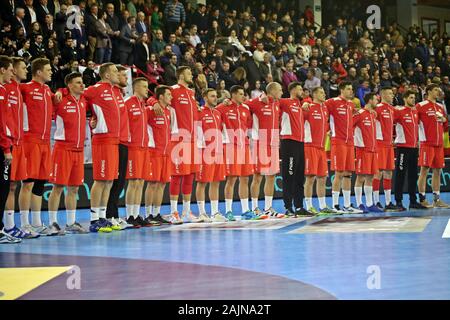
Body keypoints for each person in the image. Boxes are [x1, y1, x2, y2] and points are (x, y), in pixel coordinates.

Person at [148, 66, 201, 224]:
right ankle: (173, 212)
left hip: (192, 140)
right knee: (177, 176)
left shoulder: (191, 93)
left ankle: (186, 211)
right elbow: (157, 96)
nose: (192, 74)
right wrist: (153, 102)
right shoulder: (174, 89)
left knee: (190, 175)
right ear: (181, 74)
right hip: (178, 138)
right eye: (189, 72)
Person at [19, 58, 59, 236]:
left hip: (45, 142)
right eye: (48, 69)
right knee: (27, 183)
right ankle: (24, 224)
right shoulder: (25, 88)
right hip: (30, 141)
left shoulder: (47, 90)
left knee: (40, 183)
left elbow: (63, 94)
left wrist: (61, 92)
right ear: (38, 72)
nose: (51, 72)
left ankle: (36, 223)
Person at [47, 72, 89, 234]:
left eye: (82, 82)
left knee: (74, 189)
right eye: (78, 83)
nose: (82, 85)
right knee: (57, 187)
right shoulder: (60, 99)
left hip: (78, 150)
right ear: (69, 85)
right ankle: (52, 223)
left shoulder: (84, 101)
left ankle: (71, 223)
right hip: (63, 149)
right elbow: (50, 96)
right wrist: (61, 91)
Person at [3, 57, 40, 239]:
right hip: (9, 143)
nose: (26, 70)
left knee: (14, 185)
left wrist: (63, 92)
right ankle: (8, 226)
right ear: (13, 70)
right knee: (9, 186)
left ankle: (14, 226)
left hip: (19, 143)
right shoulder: (6, 89)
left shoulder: (20, 88)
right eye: (23, 68)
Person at [84, 63, 123, 233]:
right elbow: (77, 97)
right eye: (115, 71)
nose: (118, 74)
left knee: (109, 180)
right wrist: (90, 118)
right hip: (102, 139)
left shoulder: (116, 91)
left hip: (114, 140)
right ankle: (93, 220)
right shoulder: (95, 89)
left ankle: (103, 217)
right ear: (106, 75)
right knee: (100, 180)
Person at [216, 85, 254, 221]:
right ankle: (228, 211)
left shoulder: (246, 109)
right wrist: (222, 102)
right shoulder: (223, 108)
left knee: (245, 179)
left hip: (244, 146)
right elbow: (213, 113)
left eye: (244, 94)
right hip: (231, 146)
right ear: (233, 95)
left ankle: (245, 210)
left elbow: (248, 126)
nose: (243, 96)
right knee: (231, 179)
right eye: (240, 94)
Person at [248, 82, 285, 219]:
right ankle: (254, 208)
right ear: (273, 91)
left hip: (273, 144)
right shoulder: (257, 102)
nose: (282, 93)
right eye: (280, 90)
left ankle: (268, 208)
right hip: (259, 143)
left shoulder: (277, 104)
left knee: (271, 176)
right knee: (257, 177)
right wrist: (260, 97)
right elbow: (240, 104)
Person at [325, 81, 362, 213]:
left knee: (348, 174)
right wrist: (328, 130)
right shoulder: (332, 102)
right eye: (348, 89)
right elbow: (321, 112)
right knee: (339, 173)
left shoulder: (351, 104)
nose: (350, 91)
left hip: (349, 142)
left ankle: (347, 205)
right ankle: (335, 205)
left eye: (351, 89)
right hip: (338, 141)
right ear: (341, 90)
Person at [124, 77, 156, 227]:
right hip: (133, 147)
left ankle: (136, 214)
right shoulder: (128, 103)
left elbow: (155, 101)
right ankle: (129, 215)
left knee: (140, 182)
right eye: (144, 86)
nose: (146, 89)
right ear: (136, 88)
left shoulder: (144, 104)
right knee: (133, 182)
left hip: (144, 147)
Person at [302, 87, 337, 215]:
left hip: (321, 148)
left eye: (324, 92)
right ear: (315, 94)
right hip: (310, 146)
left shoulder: (324, 108)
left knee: (322, 178)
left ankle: (322, 206)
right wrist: (304, 104)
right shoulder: (308, 107)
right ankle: (309, 206)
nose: (324, 94)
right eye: (321, 92)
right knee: (310, 178)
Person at [195, 88, 227, 222]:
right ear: (205, 97)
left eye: (216, 96)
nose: (215, 98)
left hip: (218, 152)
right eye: (212, 96)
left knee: (216, 182)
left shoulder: (218, 113)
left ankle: (214, 212)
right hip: (204, 152)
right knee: (202, 183)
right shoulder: (199, 112)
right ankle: (202, 213)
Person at [279, 82, 310, 216]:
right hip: (289, 142)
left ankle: (299, 206)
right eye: (299, 89)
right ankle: (288, 206)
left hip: (300, 142)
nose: (302, 91)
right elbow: (270, 100)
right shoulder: (285, 102)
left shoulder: (301, 105)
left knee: (299, 177)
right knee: (289, 175)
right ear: (292, 90)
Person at [105, 65, 130, 230]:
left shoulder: (120, 95)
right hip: (115, 141)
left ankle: (114, 214)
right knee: (112, 181)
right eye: (123, 76)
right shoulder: (111, 93)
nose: (125, 79)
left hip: (123, 141)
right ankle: (109, 215)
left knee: (120, 182)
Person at [393, 89, 428, 210]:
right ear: (405, 99)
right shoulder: (399, 111)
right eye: (411, 97)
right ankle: (398, 201)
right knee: (400, 175)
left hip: (414, 148)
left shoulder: (415, 112)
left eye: (414, 98)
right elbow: (387, 122)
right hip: (403, 148)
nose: (413, 100)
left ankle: (413, 201)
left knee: (413, 175)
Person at [144, 85, 174, 225]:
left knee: (162, 184)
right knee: (152, 183)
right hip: (154, 153)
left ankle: (156, 213)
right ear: (161, 96)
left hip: (165, 153)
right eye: (168, 94)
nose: (171, 97)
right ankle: (147, 214)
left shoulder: (168, 111)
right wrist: (152, 101)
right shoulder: (150, 110)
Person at [417, 83, 450, 208]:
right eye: (435, 90)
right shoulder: (420, 106)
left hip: (439, 144)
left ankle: (437, 200)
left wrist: (444, 120)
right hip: (427, 143)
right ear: (429, 92)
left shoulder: (440, 107)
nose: (438, 92)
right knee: (424, 171)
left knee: (438, 170)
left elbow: (445, 126)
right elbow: (414, 123)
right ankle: (422, 199)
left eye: (438, 90)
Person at [0, 56, 20, 244]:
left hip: (6, 142)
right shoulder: (2, 91)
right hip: (2, 146)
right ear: (2, 70)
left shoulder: (5, 90)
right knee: (3, 187)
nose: (12, 73)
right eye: (9, 70)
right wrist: (7, 148)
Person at [353, 93, 383, 213]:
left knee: (370, 177)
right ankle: (359, 203)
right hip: (362, 150)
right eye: (376, 99)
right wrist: (356, 141)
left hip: (372, 150)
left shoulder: (372, 114)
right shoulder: (360, 114)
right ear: (370, 100)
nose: (377, 101)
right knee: (360, 177)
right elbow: (349, 126)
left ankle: (370, 204)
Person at [373, 87, 399, 211]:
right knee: (378, 173)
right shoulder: (377, 108)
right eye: (390, 94)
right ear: (383, 95)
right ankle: (376, 201)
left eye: (392, 94)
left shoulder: (392, 109)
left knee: (389, 172)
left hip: (389, 145)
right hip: (379, 144)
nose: (392, 95)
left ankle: (388, 202)